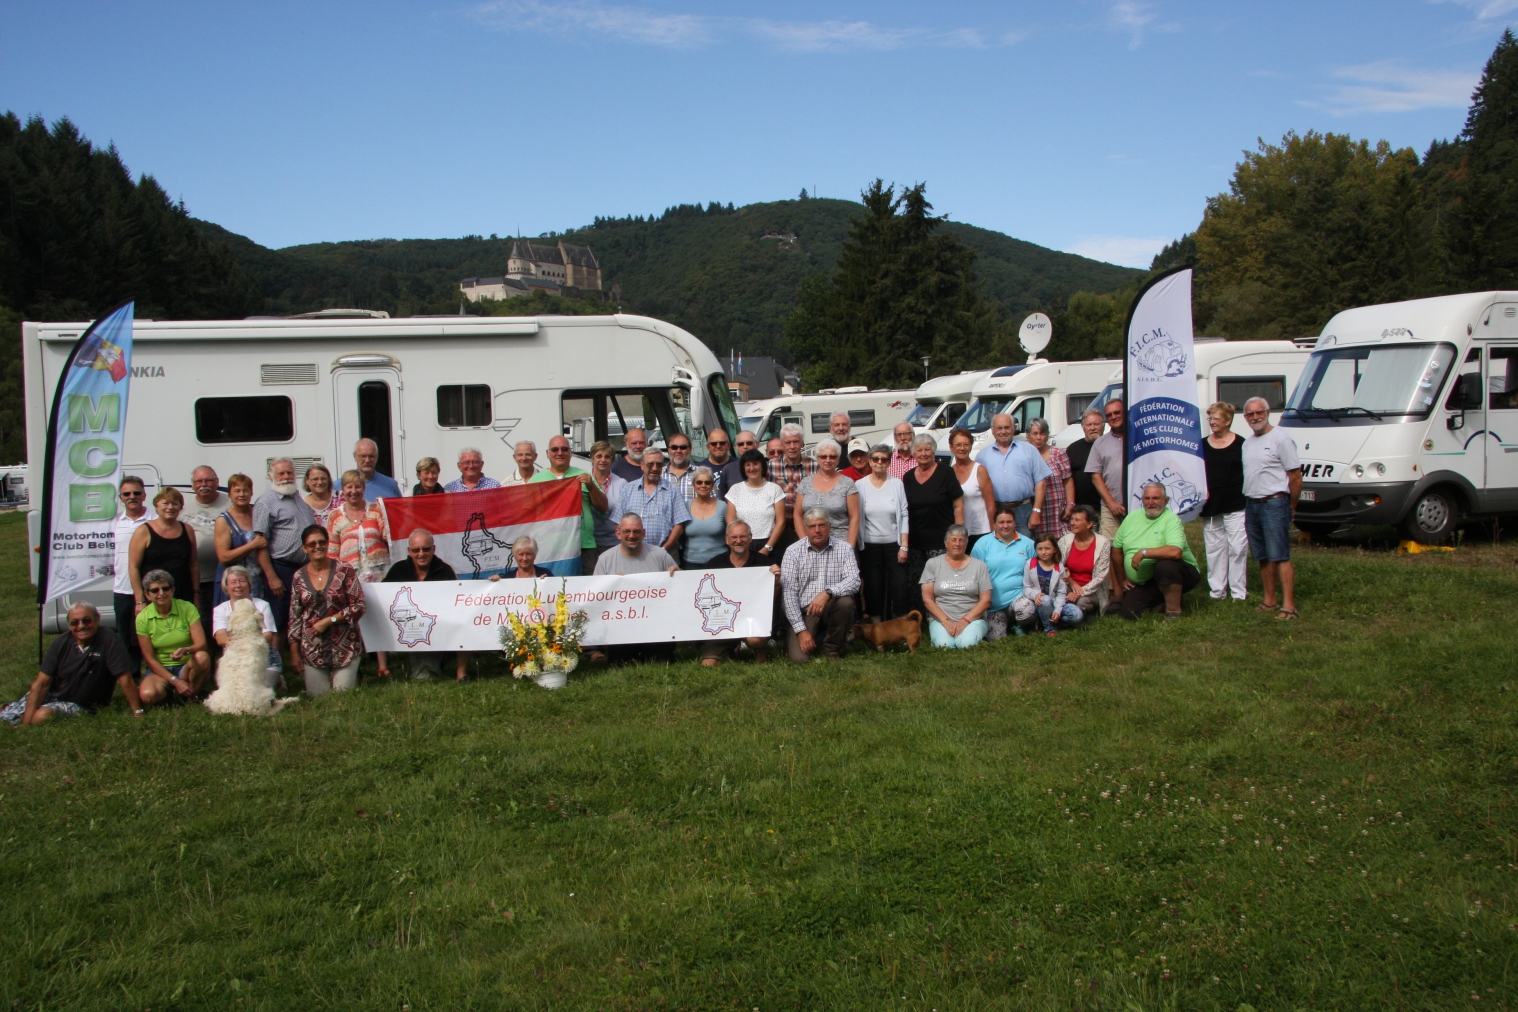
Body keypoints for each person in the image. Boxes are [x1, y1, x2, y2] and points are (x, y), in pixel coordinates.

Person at [3, 603, 143, 726]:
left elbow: (125, 679)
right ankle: (11, 710)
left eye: (86, 620)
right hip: (52, 694)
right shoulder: (59, 643)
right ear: (69, 625)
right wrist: (26, 724)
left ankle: (24, 712)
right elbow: (41, 684)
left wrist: (138, 712)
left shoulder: (110, 640)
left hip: (82, 704)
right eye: (75, 622)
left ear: (97, 619)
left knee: (41, 716)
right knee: (8, 716)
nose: (81, 626)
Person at [287, 524, 366, 696]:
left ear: (328, 543)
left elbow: (359, 606)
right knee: (318, 699)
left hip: (345, 646)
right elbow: (295, 616)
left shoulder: (344, 570)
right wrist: (294, 653)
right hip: (313, 649)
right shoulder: (298, 577)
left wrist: (330, 620)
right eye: (312, 544)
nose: (318, 546)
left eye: (321, 542)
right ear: (304, 548)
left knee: (342, 696)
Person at [1242, 396, 1302, 619]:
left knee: (1280, 555)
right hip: (1252, 503)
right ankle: (1269, 601)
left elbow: (1295, 476)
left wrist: (1292, 505)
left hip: (1275, 502)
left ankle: (1289, 606)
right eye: (1250, 414)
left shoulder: (1281, 439)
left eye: (1259, 412)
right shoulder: (1248, 443)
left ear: (1268, 413)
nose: (1255, 417)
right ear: (1245, 417)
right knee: (1262, 556)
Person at [327, 469, 392, 673]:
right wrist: (333, 578)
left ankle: (382, 665)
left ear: (364, 488)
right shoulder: (335, 516)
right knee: (353, 618)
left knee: (378, 616)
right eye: (349, 487)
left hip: (378, 572)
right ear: (342, 490)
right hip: (350, 575)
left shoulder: (376, 510)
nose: (353, 491)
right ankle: (355, 664)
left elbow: (388, 536)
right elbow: (332, 551)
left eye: (357, 486)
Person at [780, 508, 861, 663]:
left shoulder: (844, 548)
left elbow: (854, 581)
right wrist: (801, 630)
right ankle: (796, 638)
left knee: (845, 603)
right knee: (799, 659)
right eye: (812, 526)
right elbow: (788, 596)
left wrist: (828, 593)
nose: (817, 530)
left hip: (831, 606)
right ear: (805, 529)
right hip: (805, 612)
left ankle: (832, 649)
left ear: (829, 527)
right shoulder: (793, 552)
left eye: (822, 525)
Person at [1111, 482, 1201, 620]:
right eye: (1147, 498)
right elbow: (1117, 549)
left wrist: (1143, 553)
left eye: (1156, 498)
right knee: (1130, 612)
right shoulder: (1131, 518)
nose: (1150, 502)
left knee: (1165, 565)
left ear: (1166, 500)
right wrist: (1122, 579)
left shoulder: (1171, 519)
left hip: (1181, 573)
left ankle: (1173, 611)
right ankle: (1163, 600)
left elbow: (1175, 552)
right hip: (1147, 582)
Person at [383, 529, 464, 681]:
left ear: (433, 549)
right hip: (404, 628)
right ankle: (383, 667)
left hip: (436, 628)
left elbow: (455, 605)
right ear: (409, 551)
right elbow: (382, 599)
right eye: (416, 550)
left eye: (426, 549)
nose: (421, 554)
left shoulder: (445, 571)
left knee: (425, 676)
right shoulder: (398, 570)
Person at [698, 520, 781, 667]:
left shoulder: (763, 563)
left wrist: (776, 582)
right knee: (708, 664)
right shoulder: (715, 564)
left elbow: (772, 599)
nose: (738, 541)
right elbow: (697, 589)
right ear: (727, 539)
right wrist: (678, 574)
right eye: (734, 537)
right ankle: (731, 648)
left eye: (742, 536)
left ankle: (758, 649)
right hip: (722, 623)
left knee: (755, 641)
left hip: (752, 620)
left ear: (750, 538)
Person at [252, 457, 317, 639]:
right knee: (279, 621)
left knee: (303, 616)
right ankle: (277, 657)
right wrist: (272, 577)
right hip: (281, 569)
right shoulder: (265, 503)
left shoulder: (300, 500)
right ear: (271, 476)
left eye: (289, 472)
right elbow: (260, 544)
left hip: (305, 569)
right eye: (281, 473)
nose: (286, 476)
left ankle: (300, 655)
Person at [902, 432, 964, 612]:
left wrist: (958, 533)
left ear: (934, 451)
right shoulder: (908, 477)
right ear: (913, 453)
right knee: (917, 583)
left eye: (927, 449)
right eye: (919, 450)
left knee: (941, 582)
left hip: (941, 540)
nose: (923, 453)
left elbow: (958, 505)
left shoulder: (946, 472)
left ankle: (943, 616)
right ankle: (919, 619)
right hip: (915, 542)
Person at [530, 434, 608, 574]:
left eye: (564, 449)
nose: (560, 453)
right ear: (547, 454)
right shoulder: (536, 481)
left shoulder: (584, 475)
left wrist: (591, 486)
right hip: (549, 545)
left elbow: (603, 507)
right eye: (555, 449)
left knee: (588, 586)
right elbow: (527, 513)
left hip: (583, 545)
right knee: (553, 585)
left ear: (571, 453)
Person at [135, 569, 210, 705]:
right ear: (147, 594)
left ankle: (192, 696)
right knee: (148, 696)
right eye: (155, 590)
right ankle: (173, 692)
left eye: (165, 588)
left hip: (186, 666)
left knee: (202, 657)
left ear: (172, 590)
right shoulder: (142, 618)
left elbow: (202, 644)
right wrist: (175, 681)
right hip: (160, 669)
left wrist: (186, 650)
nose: (161, 593)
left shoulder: (187, 608)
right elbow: (149, 659)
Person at [857, 443, 910, 621]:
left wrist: (904, 546)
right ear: (870, 461)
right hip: (869, 545)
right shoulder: (860, 485)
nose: (879, 462)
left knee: (900, 585)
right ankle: (876, 626)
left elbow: (904, 514)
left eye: (884, 459)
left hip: (894, 544)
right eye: (875, 459)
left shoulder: (897, 484)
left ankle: (902, 624)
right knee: (872, 585)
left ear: (889, 462)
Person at [1201, 401, 1248, 602]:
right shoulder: (1202, 445)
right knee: (1214, 549)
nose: (1212, 422)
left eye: (1216, 418)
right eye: (1210, 418)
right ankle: (1217, 591)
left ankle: (1238, 593)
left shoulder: (1241, 444)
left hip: (1236, 503)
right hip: (1212, 504)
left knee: (1237, 548)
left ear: (1228, 421)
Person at [128, 487, 199, 616]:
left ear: (180, 507)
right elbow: (133, 567)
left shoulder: (188, 530)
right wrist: (140, 600)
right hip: (154, 595)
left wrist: (196, 594)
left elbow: (193, 564)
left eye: (175, 503)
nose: (170, 507)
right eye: (165, 503)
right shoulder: (143, 531)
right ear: (156, 506)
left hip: (183, 594)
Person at [920, 524, 992, 649]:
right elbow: (927, 599)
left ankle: (972, 635)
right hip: (941, 619)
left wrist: (965, 621)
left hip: (972, 619)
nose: (957, 544)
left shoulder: (980, 566)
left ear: (966, 543)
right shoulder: (932, 564)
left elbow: (985, 600)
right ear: (946, 543)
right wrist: (945, 621)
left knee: (966, 644)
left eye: (961, 540)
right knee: (944, 645)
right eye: (953, 540)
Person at [976, 413, 1050, 533]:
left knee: (1024, 544)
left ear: (1014, 428)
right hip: (996, 511)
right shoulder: (982, 455)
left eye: (1007, 427)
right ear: (993, 430)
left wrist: (1036, 511)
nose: (1003, 431)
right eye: (999, 428)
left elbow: (1041, 482)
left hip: (1023, 510)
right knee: (998, 544)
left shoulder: (1029, 450)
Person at [973, 505, 1038, 640]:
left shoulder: (1028, 544)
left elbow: (1038, 570)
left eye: (1009, 522)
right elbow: (973, 573)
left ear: (1015, 523)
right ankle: (1006, 624)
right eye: (1001, 522)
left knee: (1027, 611)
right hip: (992, 604)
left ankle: (1019, 624)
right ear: (994, 523)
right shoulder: (982, 543)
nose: (1005, 526)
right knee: (996, 639)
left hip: (1018, 597)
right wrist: (981, 598)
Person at [111, 476, 155, 677]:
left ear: (144, 495)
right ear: (120, 497)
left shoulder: (154, 520)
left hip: (150, 591)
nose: (132, 497)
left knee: (152, 637)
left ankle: (154, 675)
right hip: (122, 589)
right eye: (127, 494)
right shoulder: (114, 523)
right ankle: (133, 678)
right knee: (126, 638)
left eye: (137, 493)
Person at [180, 465, 230, 642]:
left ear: (217, 482)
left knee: (226, 623)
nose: (203, 485)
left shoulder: (229, 503)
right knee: (202, 624)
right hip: (197, 579)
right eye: (198, 481)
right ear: (192, 485)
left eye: (208, 480)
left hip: (224, 578)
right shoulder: (183, 507)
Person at [211, 566, 281, 686]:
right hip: (235, 659)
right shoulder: (220, 609)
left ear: (249, 584)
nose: (238, 585)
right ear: (226, 587)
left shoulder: (262, 605)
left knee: (258, 690)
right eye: (233, 582)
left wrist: (250, 646)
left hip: (263, 660)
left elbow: (268, 636)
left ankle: (276, 678)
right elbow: (220, 637)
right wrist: (241, 647)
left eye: (242, 581)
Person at [615, 449, 690, 555]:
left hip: (666, 553)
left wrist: (663, 550)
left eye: (659, 464)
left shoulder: (673, 490)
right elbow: (618, 523)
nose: (655, 468)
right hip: (633, 553)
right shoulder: (628, 489)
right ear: (642, 465)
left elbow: (679, 526)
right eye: (650, 464)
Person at [213, 474, 271, 606]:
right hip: (235, 584)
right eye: (237, 491)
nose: (242, 494)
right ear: (230, 494)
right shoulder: (223, 520)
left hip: (258, 580)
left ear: (251, 492)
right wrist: (252, 545)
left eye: (245, 490)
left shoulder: (258, 513)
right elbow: (223, 557)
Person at [794, 438, 859, 549]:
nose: (828, 460)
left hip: (840, 545)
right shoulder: (805, 482)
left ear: (838, 459)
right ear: (817, 458)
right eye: (823, 456)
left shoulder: (847, 483)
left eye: (832, 457)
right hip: (811, 544)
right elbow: (797, 515)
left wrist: (850, 547)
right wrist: (804, 542)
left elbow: (854, 517)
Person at [723, 449, 787, 560]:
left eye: (755, 464)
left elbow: (780, 522)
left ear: (762, 466)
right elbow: (731, 521)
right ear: (743, 468)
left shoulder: (775, 489)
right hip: (742, 543)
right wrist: (743, 544)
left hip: (770, 544)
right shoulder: (735, 490)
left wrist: (768, 547)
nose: (752, 468)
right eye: (748, 465)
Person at [1015, 534, 1082, 636]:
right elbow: (1026, 588)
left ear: (1054, 549)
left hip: (1055, 601)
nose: (1043, 552)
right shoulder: (1030, 564)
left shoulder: (1059, 567)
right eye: (1040, 549)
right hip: (1039, 603)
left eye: (1047, 548)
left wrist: (1058, 611)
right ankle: (1049, 628)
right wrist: (1035, 595)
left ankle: (1055, 622)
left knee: (1077, 615)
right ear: (1035, 550)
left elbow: (1061, 593)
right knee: (1045, 599)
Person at [767, 423, 816, 555]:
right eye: (788, 443)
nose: (792, 446)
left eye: (796, 442)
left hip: (807, 526)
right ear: (782, 445)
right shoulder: (770, 467)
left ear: (802, 444)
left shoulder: (814, 466)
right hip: (780, 528)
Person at [1056, 504, 1112, 618]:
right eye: (1072, 519)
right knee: (1058, 596)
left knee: (1081, 602)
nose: (1072, 523)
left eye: (1077, 520)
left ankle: (1087, 613)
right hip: (1068, 585)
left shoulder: (1103, 543)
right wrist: (1071, 582)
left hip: (1093, 590)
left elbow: (1100, 577)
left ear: (1089, 524)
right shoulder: (1065, 540)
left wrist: (1079, 592)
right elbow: (1058, 567)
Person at [1027, 418, 1075, 539]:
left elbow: (1068, 480)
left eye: (1042, 433)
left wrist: (1070, 504)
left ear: (1047, 435)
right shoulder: (1025, 455)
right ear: (1028, 436)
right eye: (1035, 434)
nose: (1039, 438)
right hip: (1035, 509)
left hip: (1056, 509)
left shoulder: (1058, 454)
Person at [948, 428, 995, 548]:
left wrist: (994, 532)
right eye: (958, 445)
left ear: (970, 447)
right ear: (951, 447)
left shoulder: (980, 470)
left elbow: (990, 504)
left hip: (981, 531)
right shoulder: (949, 472)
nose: (962, 448)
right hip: (960, 533)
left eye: (966, 444)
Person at [1087, 399, 1127, 539]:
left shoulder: (1139, 437)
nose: (1113, 417)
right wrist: (1111, 504)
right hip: (1110, 507)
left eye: (1117, 412)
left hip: (1139, 504)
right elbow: (1095, 477)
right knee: (1110, 546)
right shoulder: (1100, 443)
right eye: (1109, 415)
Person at [593, 513, 680, 575]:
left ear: (643, 533)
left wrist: (679, 573)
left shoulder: (660, 555)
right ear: (618, 533)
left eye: (636, 531)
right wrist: (612, 583)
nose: (631, 536)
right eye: (626, 531)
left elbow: (682, 584)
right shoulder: (605, 560)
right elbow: (596, 590)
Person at [586, 439, 625, 573]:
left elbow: (625, 514)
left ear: (612, 460)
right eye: (599, 456)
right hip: (589, 543)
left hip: (613, 542)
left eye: (607, 456)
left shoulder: (621, 483)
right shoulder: (582, 480)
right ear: (592, 457)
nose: (603, 460)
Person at [681, 468, 728, 567]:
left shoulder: (723, 506)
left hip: (719, 561)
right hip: (691, 562)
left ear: (712, 485)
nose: (703, 485)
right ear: (693, 485)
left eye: (707, 482)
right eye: (699, 482)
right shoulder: (685, 506)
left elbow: (731, 532)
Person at [1065, 409, 1106, 513]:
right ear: (1083, 427)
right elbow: (1066, 480)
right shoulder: (1073, 449)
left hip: (1107, 508)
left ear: (1103, 425)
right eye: (1089, 425)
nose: (1093, 428)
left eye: (1096, 424)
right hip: (1081, 510)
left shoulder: (1111, 446)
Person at [696, 429, 742, 500]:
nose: (718, 446)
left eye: (722, 443)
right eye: (714, 444)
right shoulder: (698, 469)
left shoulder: (741, 465)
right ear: (708, 447)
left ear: (728, 445)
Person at [666, 434, 697, 501]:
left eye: (683, 447)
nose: (678, 451)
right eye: (674, 447)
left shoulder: (701, 474)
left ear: (690, 450)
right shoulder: (658, 475)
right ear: (668, 450)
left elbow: (712, 502)